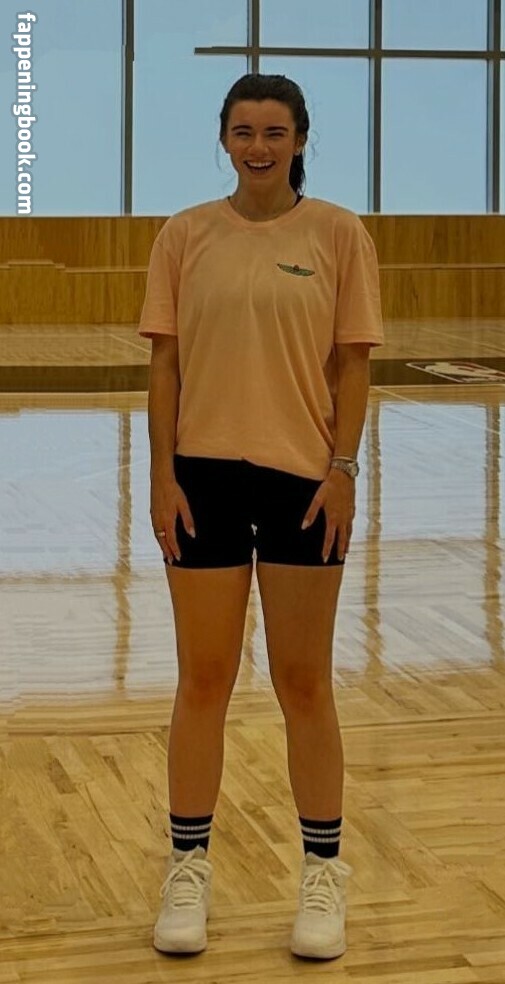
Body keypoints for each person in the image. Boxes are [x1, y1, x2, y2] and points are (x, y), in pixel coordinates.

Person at [138, 73, 384, 961]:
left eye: (274, 132)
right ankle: (186, 869)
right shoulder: (183, 235)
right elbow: (164, 368)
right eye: (243, 131)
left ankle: (322, 875)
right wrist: (160, 476)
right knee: (202, 681)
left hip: (303, 483)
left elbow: (352, 366)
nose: (258, 147)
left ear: (300, 139)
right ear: (224, 139)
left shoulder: (338, 235)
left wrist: (343, 472)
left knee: (303, 683)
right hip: (200, 480)